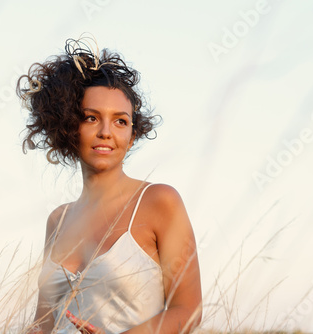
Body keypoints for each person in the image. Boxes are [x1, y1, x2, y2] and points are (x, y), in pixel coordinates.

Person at [17, 35, 202, 334]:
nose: (106, 132)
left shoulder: (159, 201)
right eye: (91, 118)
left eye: (120, 121)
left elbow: (188, 311)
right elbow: (44, 322)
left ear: (132, 132)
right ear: (68, 126)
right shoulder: (58, 220)